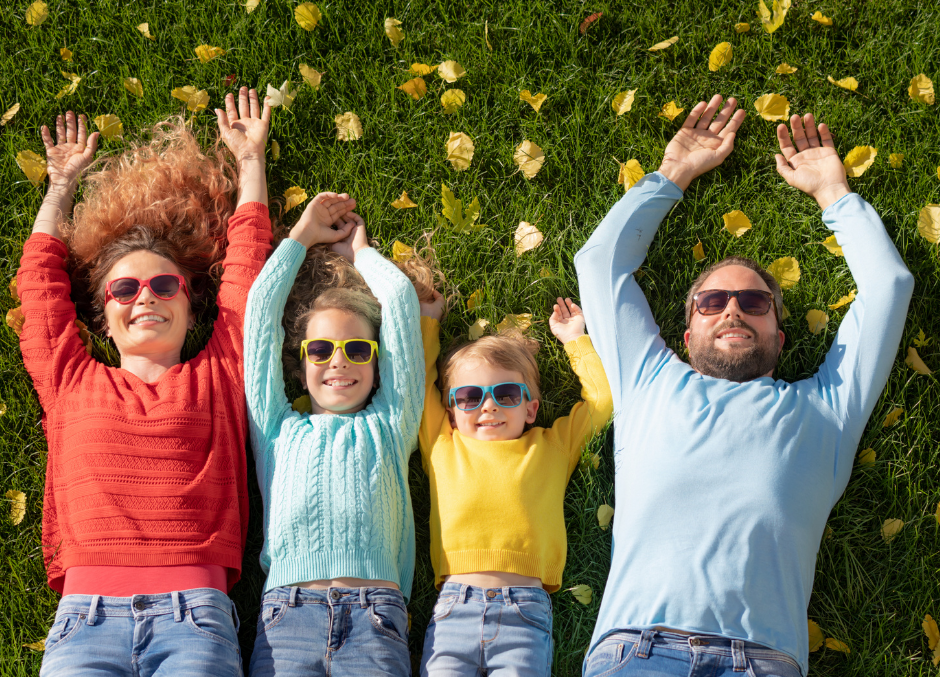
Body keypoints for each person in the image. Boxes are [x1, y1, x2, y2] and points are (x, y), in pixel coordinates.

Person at [575, 94, 914, 677]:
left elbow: (888, 286)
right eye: (712, 302)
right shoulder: (648, 380)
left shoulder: (827, 410)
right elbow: (600, 264)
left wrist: (835, 193)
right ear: (686, 336)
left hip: (760, 663)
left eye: (755, 302)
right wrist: (673, 172)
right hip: (639, 651)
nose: (733, 310)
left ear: (779, 341)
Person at [18, 89, 273, 675]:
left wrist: (250, 162)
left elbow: (247, 275)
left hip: (196, 618)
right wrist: (61, 186)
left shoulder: (221, 374)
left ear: (189, 304)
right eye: (125, 290)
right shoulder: (68, 378)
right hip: (85, 620)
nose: (145, 299)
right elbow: (39, 289)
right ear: (103, 317)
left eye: (165, 286)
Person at [244, 194, 434, 676]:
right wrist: (300, 239)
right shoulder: (276, 430)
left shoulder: (392, 424)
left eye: (356, 348)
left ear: (377, 360)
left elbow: (399, 302)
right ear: (302, 359)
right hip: (286, 618)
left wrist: (362, 255)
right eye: (322, 348)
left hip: (376, 616)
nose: (338, 361)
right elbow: (260, 316)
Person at [417, 296, 613, 676]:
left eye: (505, 395)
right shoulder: (442, 442)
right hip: (453, 610)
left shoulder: (551, 446)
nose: (488, 407)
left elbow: (602, 402)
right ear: (450, 411)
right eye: (470, 397)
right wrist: (428, 323)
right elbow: (418, 381)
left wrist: (575, 339)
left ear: (531, 408)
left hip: (525, 610)